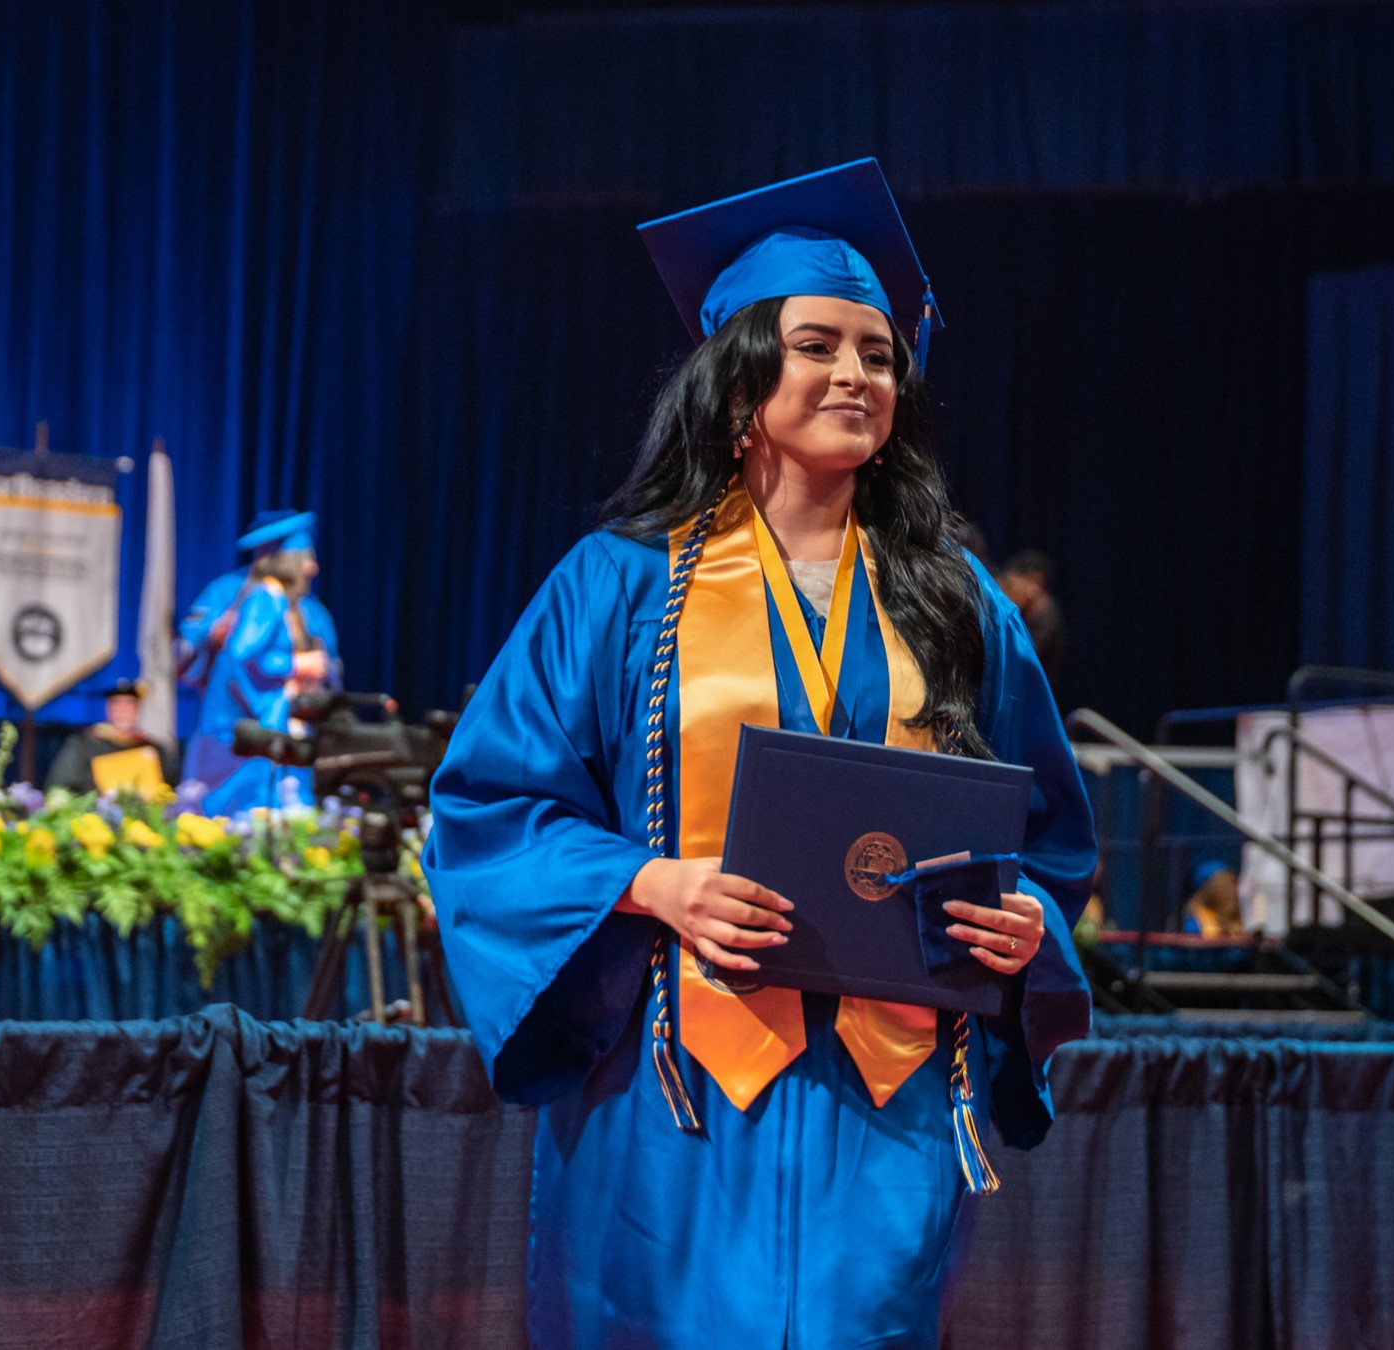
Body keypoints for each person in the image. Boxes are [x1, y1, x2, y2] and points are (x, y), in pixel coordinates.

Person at [421, 160, 1097, 1346]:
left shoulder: (957, 607)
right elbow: (489, 804)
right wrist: (650, 882)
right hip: (681, 1082)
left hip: (889, 1097)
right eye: (818, 346)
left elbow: (1043, 837)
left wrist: (1027, 919)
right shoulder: (622, 587)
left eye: (879, 354)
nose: (856, 374)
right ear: (740, 386)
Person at [184, 510, 335, 812]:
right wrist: (296, 666)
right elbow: (243, 654)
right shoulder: (266, 598)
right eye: (306, 558)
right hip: (245, 727)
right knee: (250, 810)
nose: (313, 568)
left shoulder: (297, 605)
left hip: (270, 722)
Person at [45, 680, 180, 793]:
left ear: (138, 710)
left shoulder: (154, 749)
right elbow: (59, 787)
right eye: (117, 705)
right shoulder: (83, 744)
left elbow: (168, 791)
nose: (123, 711)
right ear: (108, 709)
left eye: (129, 705)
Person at [997, 548, 1068, 687]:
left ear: (1035, 582)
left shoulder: (1046, 621)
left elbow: (1020, 661)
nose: (1003, 594)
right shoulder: (1028, 615)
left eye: (1009, 586)